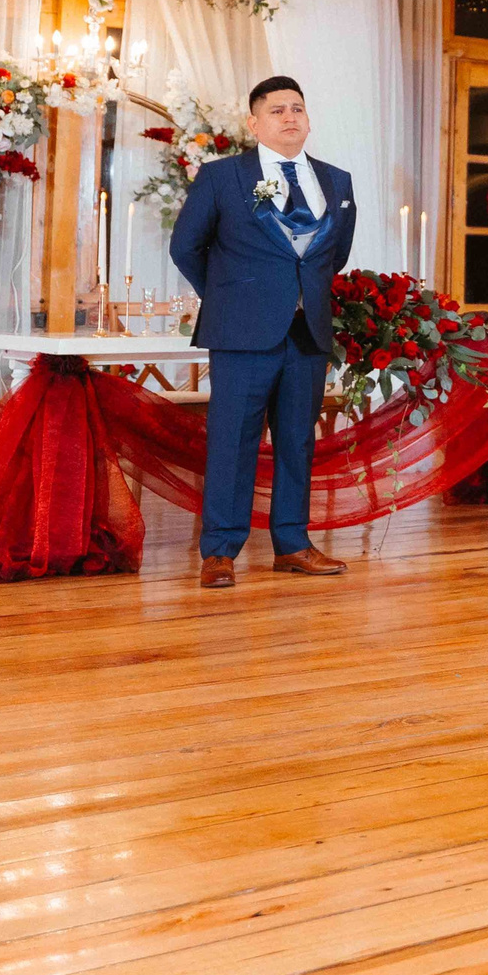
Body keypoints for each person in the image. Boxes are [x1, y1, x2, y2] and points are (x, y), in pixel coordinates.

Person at [168, 76, 357, 590]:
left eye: (297, 108)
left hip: (307, 332)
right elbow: (185, 247)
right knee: (232, 441)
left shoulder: (337, 181)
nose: (290, 117)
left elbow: (334, 255)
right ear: (254, 124)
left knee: (297, 440)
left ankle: (292, 544)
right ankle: (219, 551)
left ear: (308, 119)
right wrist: (231, 295)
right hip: (241, 332)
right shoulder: (223, 176)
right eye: (277, 110)